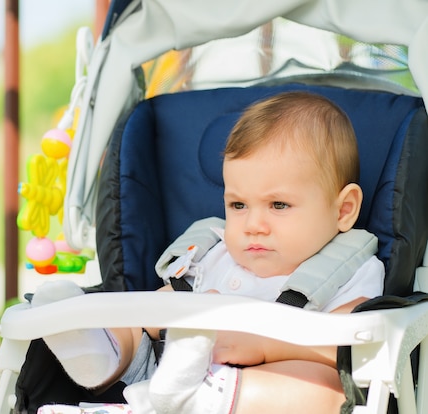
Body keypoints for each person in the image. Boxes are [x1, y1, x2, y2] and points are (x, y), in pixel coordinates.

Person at [31, 91, 385, 414]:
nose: (253, 225)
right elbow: (160, 305)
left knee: (324, 390)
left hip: (253, 396)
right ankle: (96, 350)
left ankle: (192, 400)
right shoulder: (214, 254)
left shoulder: (350, 267)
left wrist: (263, 345)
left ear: (343, 210)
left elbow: (353, 341)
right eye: (238, 204)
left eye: (278, 204)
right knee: (134, 320)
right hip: (160, 375)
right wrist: (152, 317)